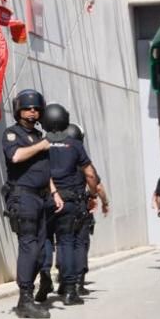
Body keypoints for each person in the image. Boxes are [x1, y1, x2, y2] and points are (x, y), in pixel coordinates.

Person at [1, 89, 62, 319]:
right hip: (22, 196)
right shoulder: (12, 134)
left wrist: (54, 192)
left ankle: (26, 296)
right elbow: (15, 157)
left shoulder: (38, 136)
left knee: (39, 251)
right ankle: (25, 298)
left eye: (36, 108)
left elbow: (44, 170)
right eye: (28, 108)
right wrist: (42, 145)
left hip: (41, 196)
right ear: (19, 110)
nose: (33, 112)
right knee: (28, 246)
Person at [42, 103, 104, 306]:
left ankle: (44, 275)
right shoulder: (75, 145)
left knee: (45, 239)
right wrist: (93, 194)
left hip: (46, 199)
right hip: (69, 201)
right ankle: (69, 289)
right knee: (67, 242)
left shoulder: (40, 143)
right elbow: (90, 174)